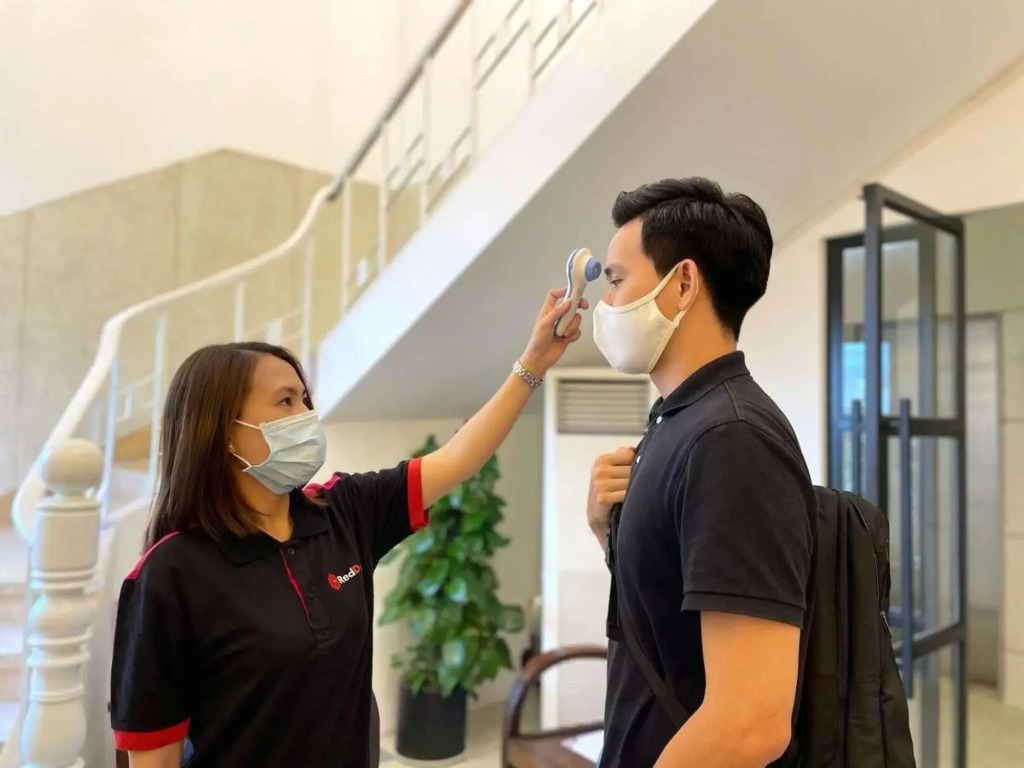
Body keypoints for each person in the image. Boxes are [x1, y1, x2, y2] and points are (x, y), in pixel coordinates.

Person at [109, 287, 586, 768]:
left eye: (305, 399)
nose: (306, 416)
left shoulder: (343, 510)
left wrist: (533, 363)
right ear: (222, 431)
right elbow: (154, 760)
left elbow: (457, 459)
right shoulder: (171, 574)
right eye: (285, 402)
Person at [585, 178, 817, 768]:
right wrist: (607, 531)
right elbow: (668, 613)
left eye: (616, 280)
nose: (606, 305)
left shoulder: (731, 438)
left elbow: (750, 724)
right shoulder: (679, 418)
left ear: (683, 283)